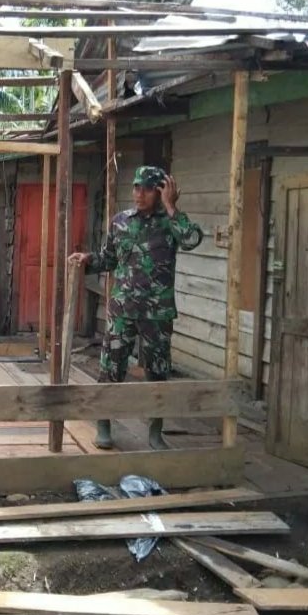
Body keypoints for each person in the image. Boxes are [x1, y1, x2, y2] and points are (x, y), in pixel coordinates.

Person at [68, 166, 203, 451]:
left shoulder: (171, 222)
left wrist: (171, 206)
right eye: (136, 187)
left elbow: (192, 239)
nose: (139, 194)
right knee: (111, 368)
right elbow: (109, 259)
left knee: (157, 371)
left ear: (161, 190)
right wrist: (87, 258)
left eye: (147, 189)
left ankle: (155, 431)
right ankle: (104, 425)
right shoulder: (120, 222)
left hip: (157, 313)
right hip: (123, 309)